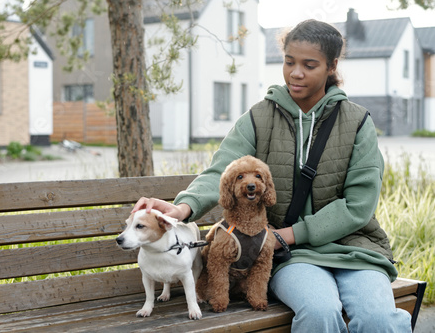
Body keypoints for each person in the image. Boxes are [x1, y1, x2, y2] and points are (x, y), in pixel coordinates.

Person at [133, 19, 412, 332]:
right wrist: (183, 208)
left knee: (379, 319)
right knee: (319, 313)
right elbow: (222, 171)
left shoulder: (358, 123)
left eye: (309, 65)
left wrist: (281, 236)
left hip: (354, 249)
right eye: (289, 62)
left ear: (331, 66)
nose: (295, 73)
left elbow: (358, 206)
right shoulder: (259, 117)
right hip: (294, 258)